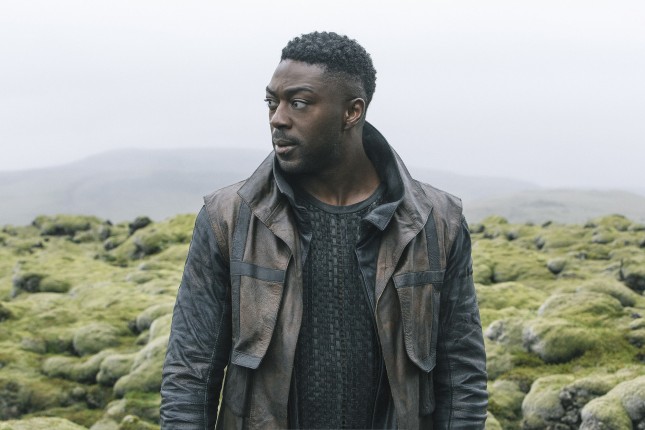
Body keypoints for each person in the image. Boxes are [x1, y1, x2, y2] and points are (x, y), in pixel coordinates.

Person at [160, 31, 488, 429]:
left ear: (352, 112)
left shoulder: (437, 221)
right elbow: (190, 373)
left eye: (298, 103)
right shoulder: (228, 217)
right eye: (272, 102)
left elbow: (462, 377)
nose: (278, 118)